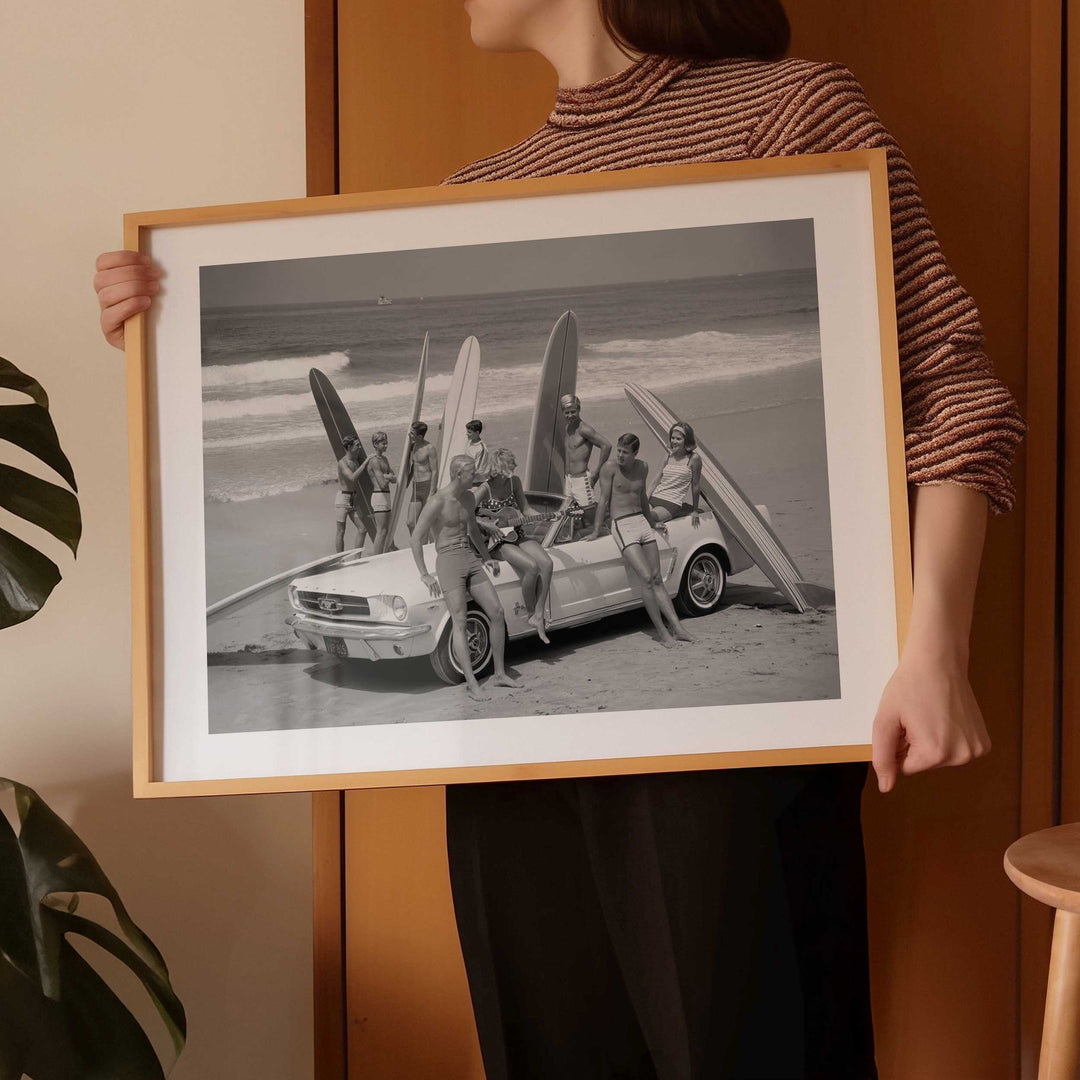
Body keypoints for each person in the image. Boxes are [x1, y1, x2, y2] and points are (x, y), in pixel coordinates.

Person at [93, 2, 1026, 1075]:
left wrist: (934, 649)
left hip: (731, 756)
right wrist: (166, 319)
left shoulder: (791, 112)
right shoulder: (476, 200)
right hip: (508, 764)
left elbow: (952, 391)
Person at [411, 454, 519, 701]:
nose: (477, 477)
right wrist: (425, 574)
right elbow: (416, 538)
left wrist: (486, 556)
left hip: (470, 557)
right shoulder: (438, 501)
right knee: (459, 622)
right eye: (472, 474)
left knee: (497, 612)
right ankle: (471, 683)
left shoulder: (468, 497)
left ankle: (500, 674)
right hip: (448, 560)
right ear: (459, 474)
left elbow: (472, 530)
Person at [589, 433, 693, 648]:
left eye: (625, 452)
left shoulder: (643, 467)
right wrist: (596, 530)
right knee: (646, 578)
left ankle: (678, 628)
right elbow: (603, 501)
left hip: (642, 523)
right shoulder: (609, 469)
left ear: (635, 453)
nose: (620, 455)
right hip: (622, 525)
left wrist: (652, 522)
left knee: (657, 578)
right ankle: (662, 633)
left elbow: (643, 499)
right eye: (619, 450)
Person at [475, 448, 556, 644]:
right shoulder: (485, 489)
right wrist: (485, 523)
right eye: (512, 463)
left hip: (515, 533)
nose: (516, 466)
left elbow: (525, 508)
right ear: (501, 467)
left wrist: (546, 516)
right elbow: (467, 514)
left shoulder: (514, 482)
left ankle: (538, 614)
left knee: (546, 564)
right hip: (497, 541)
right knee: (531, 567)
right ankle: (530, 612)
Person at [560, 393, 610, 507]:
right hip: (569, 480)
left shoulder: (584, 429)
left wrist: (596, 474)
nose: (570, 415)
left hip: (581, 479)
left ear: (579, 409)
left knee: (588, 512)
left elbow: (606, 445)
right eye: (566, 413)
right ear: (562, 412)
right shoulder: (567, 428)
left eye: (573, 411)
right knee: (570, 514)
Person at [649, 421, 703, 526]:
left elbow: (695, 485)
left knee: (648, 517)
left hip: (671, 503)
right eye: (672, 438)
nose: (674, 441)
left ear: (686, 441)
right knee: (637, 515)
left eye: (678, 439)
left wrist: (695, 510)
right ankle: (685, 508)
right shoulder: (667, 456)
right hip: (655, 497)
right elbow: (656, 480)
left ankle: (683, 509)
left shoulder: (694, 459)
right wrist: (644, 500)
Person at [333, 435, 368, 554]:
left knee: (362, 529)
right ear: (349, 447)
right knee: (341, 531)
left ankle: (357, 557)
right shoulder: (342, 463)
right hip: (342, 499)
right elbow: (352, 478)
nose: (359, 447)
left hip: (353, 499)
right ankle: (339, 560)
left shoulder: (356, 460)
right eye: (357, 445)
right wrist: (365, 463)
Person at [364, 430, 397, 554]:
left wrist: (387, 476)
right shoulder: (374, 461)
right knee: (381, 531)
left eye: (386, 443)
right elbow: (383, 483)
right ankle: (377, 557)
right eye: (383, 443)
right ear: (375, 444)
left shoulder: (385, 459)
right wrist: (388, 476)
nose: (386, 445)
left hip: (386, 496)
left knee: (387, 530)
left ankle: (387, 551)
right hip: (379, 496)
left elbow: (395, 479)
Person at [406, 420, 438, 533]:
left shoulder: (429, 448)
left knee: (428, 522)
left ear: (419, 436)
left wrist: (432, 493)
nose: (409, 435)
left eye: (412, 433)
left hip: (427, 486)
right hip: (416, 487)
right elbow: (413, 467)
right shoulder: (412, 446)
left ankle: (428, 547)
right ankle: (418, 545)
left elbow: (434, 471)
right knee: (410, 522)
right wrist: (406, 483)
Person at [463, 418, 493, 484]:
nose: (466, 434)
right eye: (467, 431)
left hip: (477, 483)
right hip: (468, 479)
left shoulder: (481, 449)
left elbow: (478, 470)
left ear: (477, 433)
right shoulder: (469, 441)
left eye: (469, 432)